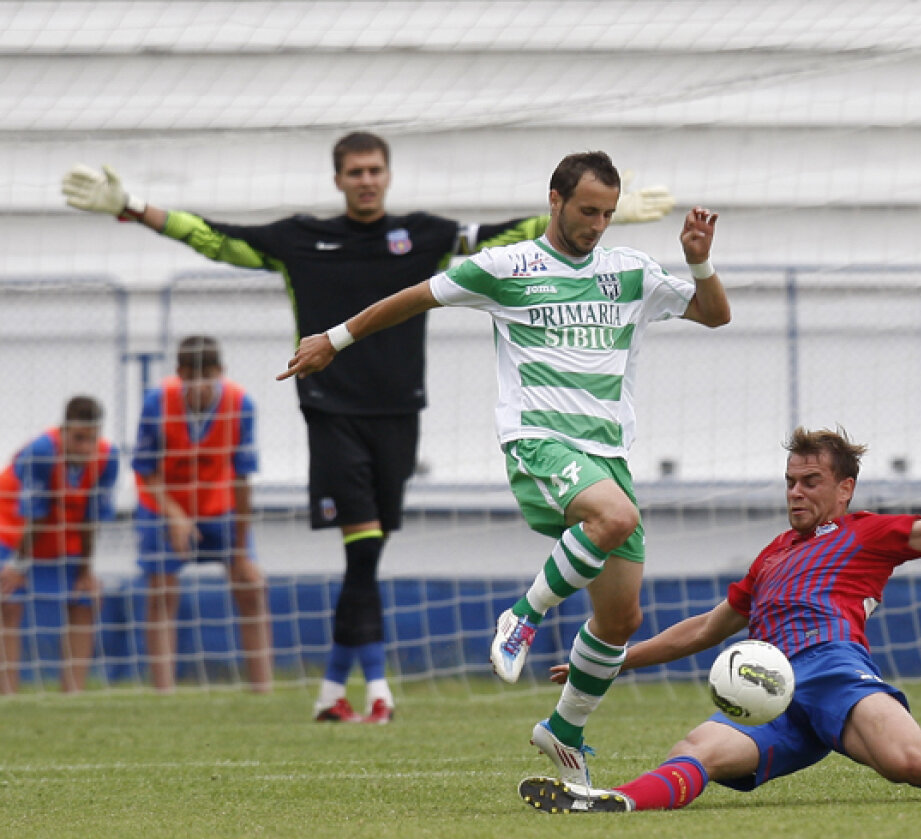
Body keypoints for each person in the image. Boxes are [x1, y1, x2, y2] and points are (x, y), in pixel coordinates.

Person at [62, 133, 673, 723]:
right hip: (331, 412)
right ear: (338, 179)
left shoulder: (424, 234)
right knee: (361, 551)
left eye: (375, 170)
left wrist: (601, 225)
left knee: (370, 553)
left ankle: (337, 689)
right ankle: (372, 688)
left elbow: (511, 240)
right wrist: (132, 208)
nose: (366, 181)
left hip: (401, 414)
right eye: (354, 172)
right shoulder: (304, 237)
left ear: (386, 175)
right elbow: (220, 240)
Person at [279, 150, 730, 776]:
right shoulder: (506, 267)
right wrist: (335, 338)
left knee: (621, 617)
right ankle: (521, 617)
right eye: (586, 211)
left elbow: (714, 313)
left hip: (608, 455)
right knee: (616, 518)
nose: (597, 224)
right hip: (540, 442)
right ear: (555, 201)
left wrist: (698, 259)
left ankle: (563, 731)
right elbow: (414, 298)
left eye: (606, 213)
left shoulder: (631, 272)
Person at [516, 426, 921, 813]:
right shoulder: (770, 557)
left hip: (835, 669)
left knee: (910, 765)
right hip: (769, 694)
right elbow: (704, 629)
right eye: (789, 482)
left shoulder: (869, 535)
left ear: (845, 489)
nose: (796, 493)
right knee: (698, 749)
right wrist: (609, 662)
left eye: (811, 482)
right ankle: (610, 802)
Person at [132, 336, 272, 693]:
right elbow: (146, 470)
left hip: (219, 508)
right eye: (191, 377)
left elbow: (243, 478)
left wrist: (240, 550)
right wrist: (175, 515)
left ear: (220, 373)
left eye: (207, 376)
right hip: (164, 507)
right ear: (179, 374)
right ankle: (164, 691)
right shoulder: (157, 401)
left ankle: (263, 688)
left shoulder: (240, 403)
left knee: (251, 586)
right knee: (161, 590)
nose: (199, 385)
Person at [0, 396, 120, 694]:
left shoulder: (107, 458)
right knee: (7, 600)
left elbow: (92, 519)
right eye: (78, 438)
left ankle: (72, 695)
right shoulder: (42, 452)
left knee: (84, 599)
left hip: (60, 535)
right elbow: (35, 517)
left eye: (91, 439)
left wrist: (86, 571)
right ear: (63, 431)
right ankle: (7, 695)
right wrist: (17, 566)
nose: (84, 447)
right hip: (11, 530)